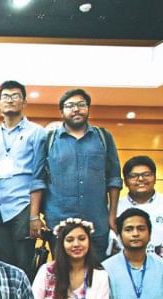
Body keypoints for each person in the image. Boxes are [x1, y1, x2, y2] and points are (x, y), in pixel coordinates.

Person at [43, 88, 122, 257]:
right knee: (62, 271)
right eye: (70, 106)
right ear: (62, 111)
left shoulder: (103, 137)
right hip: (59, 223)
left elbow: (114, 179)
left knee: (97, 270)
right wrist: (34, 216)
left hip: (97, 222)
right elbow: (38, 180)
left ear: (88, 108)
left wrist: (112, 214)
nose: (76, 109)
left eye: (81, 104)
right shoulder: (49, 140)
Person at [0, 80, 47, 278]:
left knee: (24, 265)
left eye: (15, 96)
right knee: (2, 263)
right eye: (5, 96)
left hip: (23, 206)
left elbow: (39, 175)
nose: (10, 100)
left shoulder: (36, 133)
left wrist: (34, 216)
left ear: (24, 102)